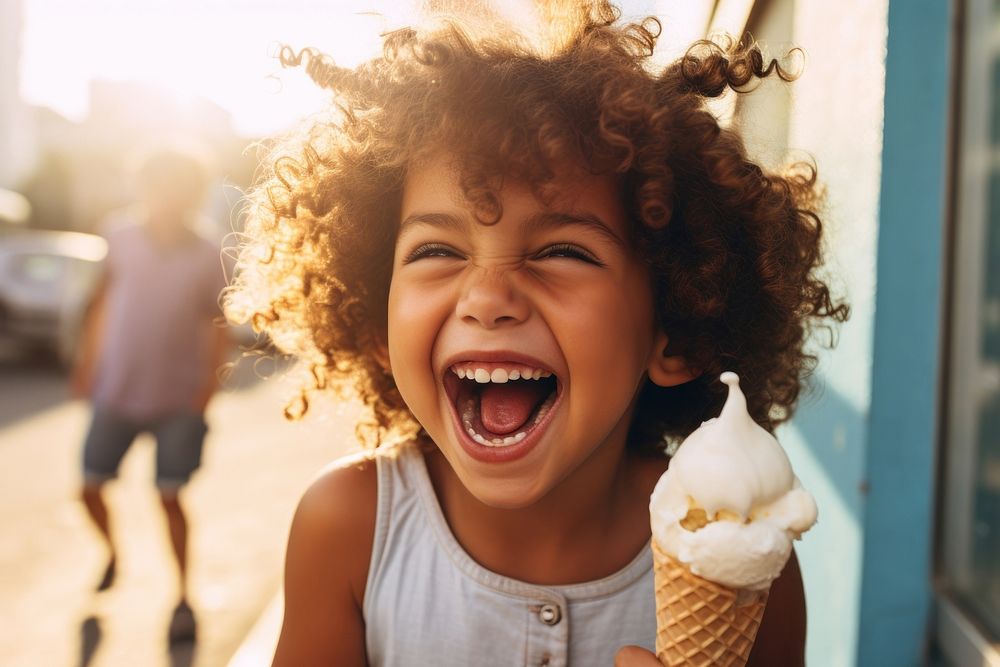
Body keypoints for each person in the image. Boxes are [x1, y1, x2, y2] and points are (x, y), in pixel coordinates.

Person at [225, 3, 849, 665]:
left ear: (676, 332)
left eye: (564, 252)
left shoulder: (746, 558)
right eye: (436, 250)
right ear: (380, 321)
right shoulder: (348, 530)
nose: (488, 297)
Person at [72, 147, 230, 642]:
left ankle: (183, 595)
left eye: (178, 187)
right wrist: (86, 364)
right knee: (89, 487)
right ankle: (113, 554)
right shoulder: (117, 236)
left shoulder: (207, 252)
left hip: (178, 395)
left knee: (170, 496)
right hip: (116, 388)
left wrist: (207, 386)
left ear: (193, 193)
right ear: (143, 187)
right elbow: (100, 302)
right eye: (157, 185)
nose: (167, 197)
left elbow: (217, 323)